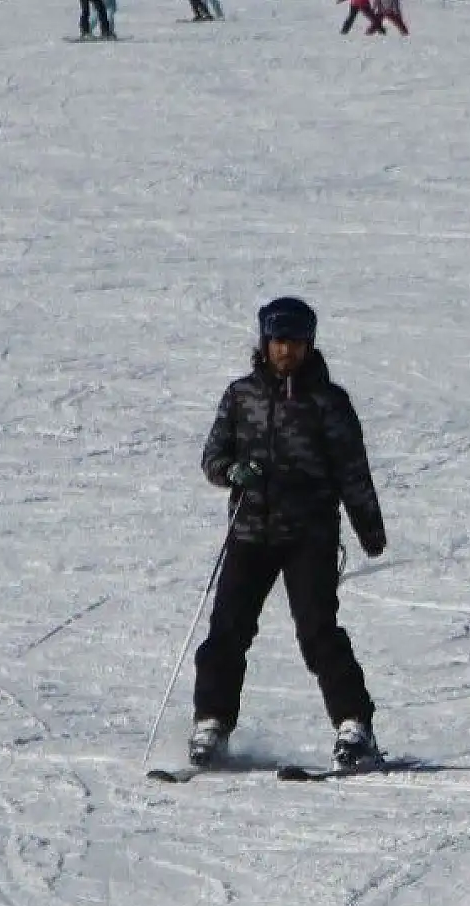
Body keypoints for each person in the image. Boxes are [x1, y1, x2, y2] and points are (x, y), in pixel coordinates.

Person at [191, 297, 389, 770]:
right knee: (227, 631)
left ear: (310, 344)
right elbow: (212, 457)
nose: (287, 352)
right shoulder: (242, 396)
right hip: (250, 531)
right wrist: (233, 471)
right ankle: (212, 723)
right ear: (265, 342)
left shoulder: (329, 402)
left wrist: (369, 527)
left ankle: (354, 727)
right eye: (280, 342)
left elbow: (352, 470)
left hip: (309, 534)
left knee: (318, 632)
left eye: (297, 343)